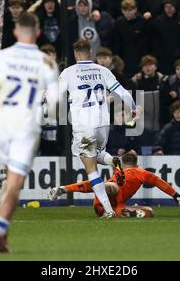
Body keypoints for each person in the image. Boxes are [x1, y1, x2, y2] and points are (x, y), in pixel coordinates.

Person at [0, 12, 60, 253]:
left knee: (9, 176)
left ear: (15, 32)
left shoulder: (1, 56)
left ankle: (2, 232)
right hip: (25, 125)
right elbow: (54, 100)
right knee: (16, 181)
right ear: (38, 32)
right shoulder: (46, 62)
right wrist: (49, 116)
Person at [58, 39, 138, 218]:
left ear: (75, 54)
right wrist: (133, 108)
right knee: (97, 153)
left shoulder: (68, 73)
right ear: (91, 53)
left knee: (91, 168)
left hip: (83, 125)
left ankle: (108, 210)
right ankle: (112, 160)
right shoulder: (103, 71)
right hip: (103, 124)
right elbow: (123, 92)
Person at [47, 151, 180, 217]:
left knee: (104, 185)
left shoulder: (118, 171)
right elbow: (161, 184)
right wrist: (178, 198)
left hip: (100, 206)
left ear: (121, 164)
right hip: (110, 199)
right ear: (137, 164)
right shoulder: (142, 173)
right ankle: (125, 210)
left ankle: (64, 189)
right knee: (113, 188)